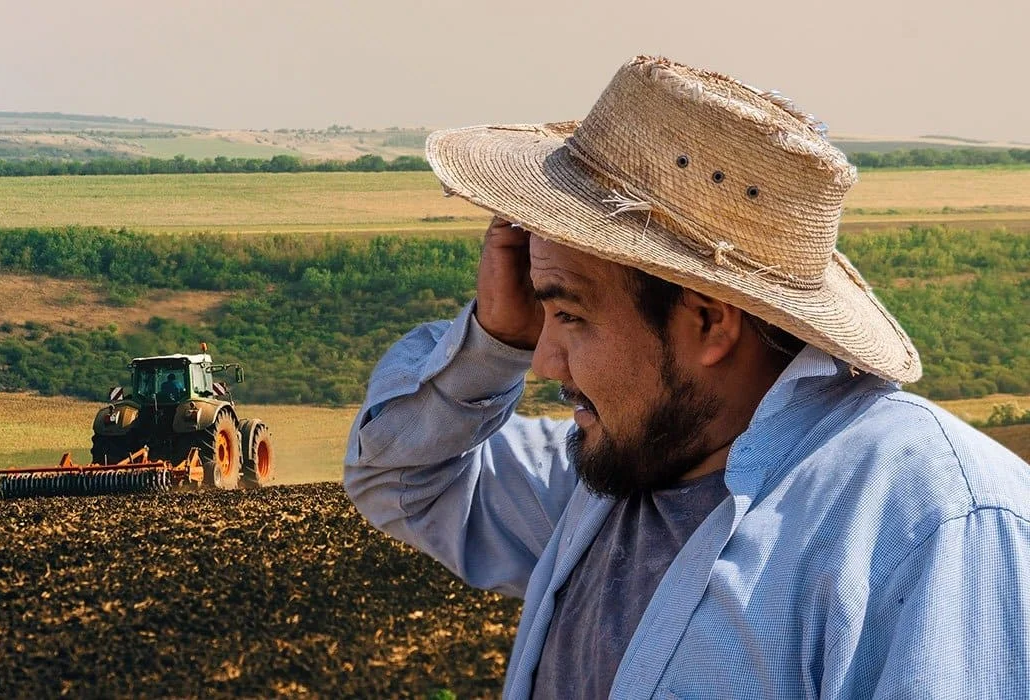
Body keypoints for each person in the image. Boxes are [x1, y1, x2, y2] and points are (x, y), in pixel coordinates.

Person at [343, 56, 1030, 699]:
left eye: (571, 315)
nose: (544, 362)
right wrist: (492, 344)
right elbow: (404, 477)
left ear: (708, 321)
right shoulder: (620, 469)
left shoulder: (931, 525)